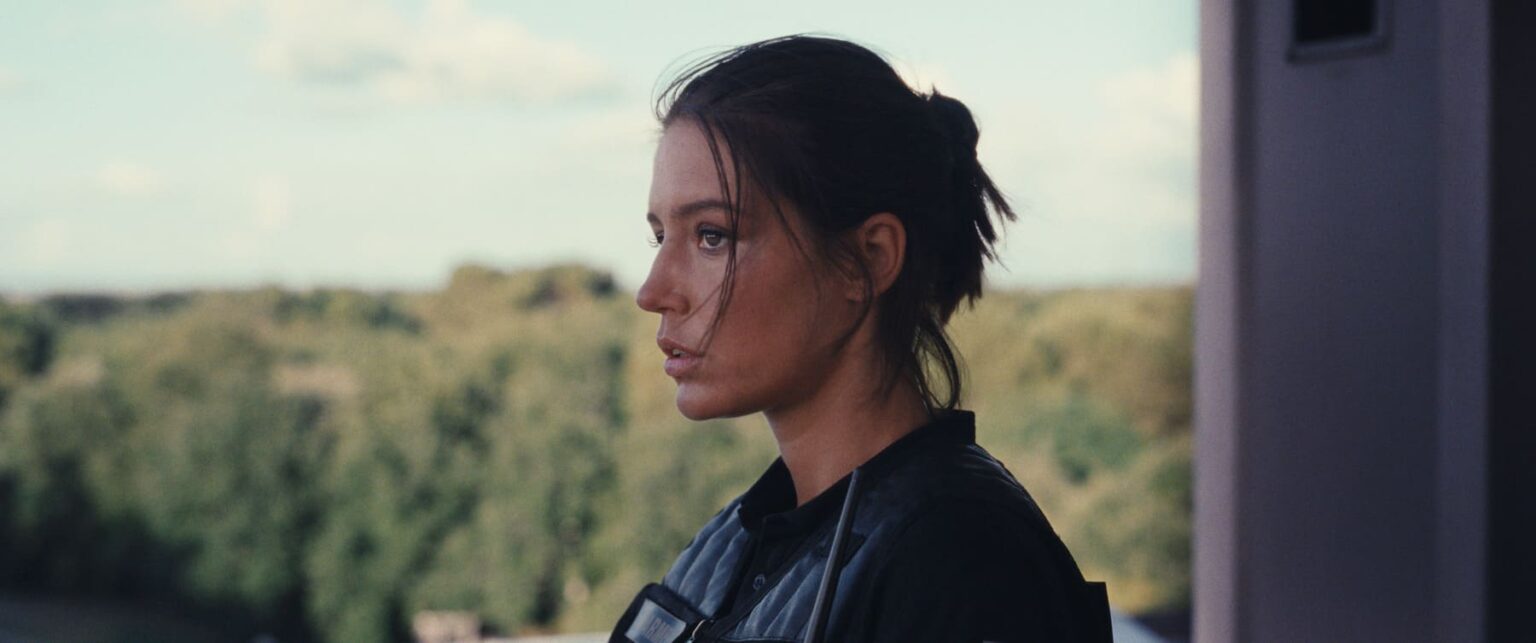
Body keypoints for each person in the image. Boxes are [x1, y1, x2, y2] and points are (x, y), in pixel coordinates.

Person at [611, 34, 1112, 643]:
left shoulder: (964, 565)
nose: (654, 290)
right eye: (660, 236)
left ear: (867, 259)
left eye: (712, 236)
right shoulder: (733, 544)